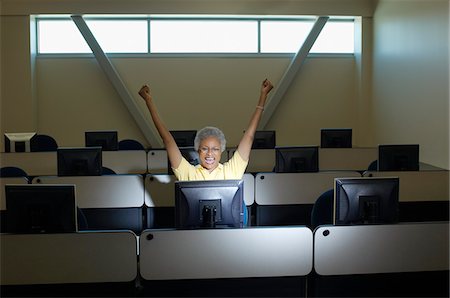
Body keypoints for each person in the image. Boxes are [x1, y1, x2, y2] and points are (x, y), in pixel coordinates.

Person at [138, 78, 274, 181]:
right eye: (204, 149)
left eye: (215, 149)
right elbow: (167, 140)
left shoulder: (231, 171)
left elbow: (249, 136)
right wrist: (148, 101)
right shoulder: (189, 173)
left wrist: (263, 96)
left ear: (221, 151)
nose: (210, 154)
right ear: (197, 150)